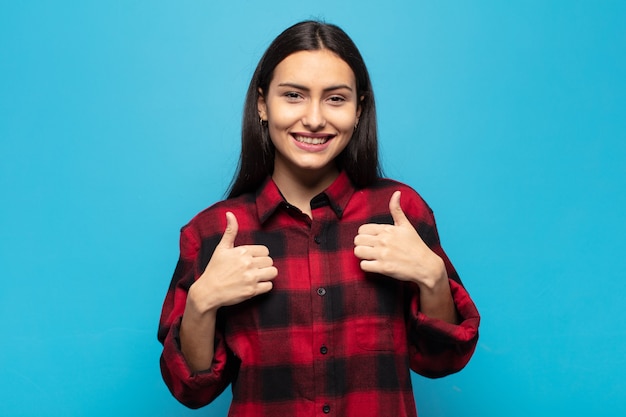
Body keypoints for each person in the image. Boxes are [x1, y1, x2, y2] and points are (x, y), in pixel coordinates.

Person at [158, 20, 480, 417]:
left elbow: (442, 360)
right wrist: (201, 304)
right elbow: (191, 390)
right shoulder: (212, 233)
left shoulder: (401, 212)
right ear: (262, 103)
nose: (313, 119)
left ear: (359, 109)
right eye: (293, 95)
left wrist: (432, 280)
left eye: (335, 99)